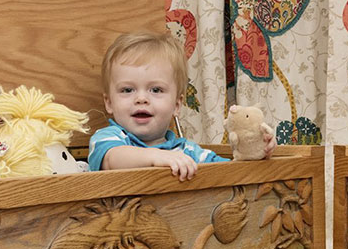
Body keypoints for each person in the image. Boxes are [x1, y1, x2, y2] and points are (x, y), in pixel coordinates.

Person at [90, 32, 273, 180]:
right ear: (109, 103)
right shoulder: (108, 139)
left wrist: (256, 152)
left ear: (177, 105)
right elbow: (112, 159)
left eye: (156, 89)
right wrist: (156, 158)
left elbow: (229, 173)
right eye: (127, 90)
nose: (141, 98)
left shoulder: (189, 152)